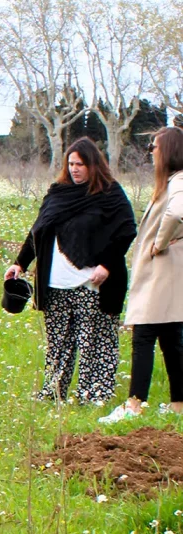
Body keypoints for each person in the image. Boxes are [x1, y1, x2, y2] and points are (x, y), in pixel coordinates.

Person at [6, 138, 136, 405]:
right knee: (58, 343)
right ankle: (53, 393)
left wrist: (107, 266)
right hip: (56, 282)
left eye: (81, 164)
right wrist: (20, 263)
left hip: (91, 282)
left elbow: (126, 231)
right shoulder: (58, 192)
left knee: (94, 341)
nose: (75, 169)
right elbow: (38, 231)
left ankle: (94, 395)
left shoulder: (110, 193)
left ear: (93, 165)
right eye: (71, 164)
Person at [101, 126, 183, 423]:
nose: (151, 152)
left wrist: (158, 244)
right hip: (170, 274)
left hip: (161, 273)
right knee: (173, 337)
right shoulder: (173, 181)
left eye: (154, 147)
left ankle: (134, 405)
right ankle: (178, 405)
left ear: (169, 151)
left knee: (144, 334)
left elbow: (176, 213)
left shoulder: (179, 182)